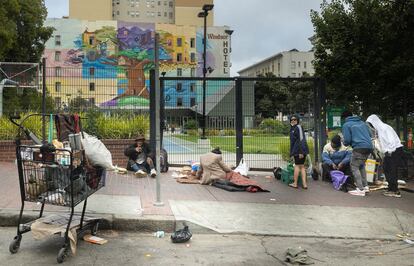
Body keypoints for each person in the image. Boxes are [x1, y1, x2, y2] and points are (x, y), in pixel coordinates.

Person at [367, 114, 404, 198]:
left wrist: (389, 151)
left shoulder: (385, 128)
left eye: (371, 124)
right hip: (390, 151)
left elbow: (391, 141)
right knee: (386, 169)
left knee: (391, 170)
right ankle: (391, 188)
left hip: (394, 150)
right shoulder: (380, 130)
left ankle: (394, 191)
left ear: (374, 122)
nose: (371, 126)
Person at [341, 110, 373, 196]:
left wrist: (343, 141)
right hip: (369, 146)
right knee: (361, 166)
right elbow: (370, 134)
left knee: (354, 166)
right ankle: (365, 186)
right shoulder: (362, 122)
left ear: (344, 118)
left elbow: (347, 140)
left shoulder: (346, 124)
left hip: (359, 147)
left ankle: (360, 189)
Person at [288, 114, 309, 189]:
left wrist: (301, 151)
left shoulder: (298, 127)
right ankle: (304, 184)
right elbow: (292, 142)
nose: (293, 121)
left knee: (297, 166)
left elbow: (301, 139)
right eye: (292, 120)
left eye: (295, 119)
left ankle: (295, 183)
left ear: (297, 120)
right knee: (302, 166)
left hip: (300, 150)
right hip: (297, 150)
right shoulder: (292, 129)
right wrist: (291, 153)